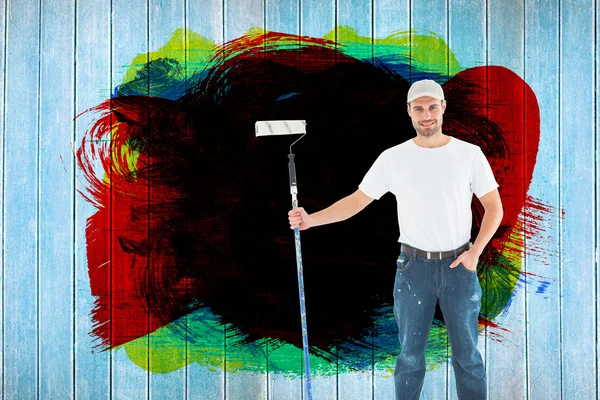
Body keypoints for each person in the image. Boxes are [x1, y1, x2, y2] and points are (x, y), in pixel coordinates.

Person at [287, 79, 503, 400]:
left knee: (468, 357)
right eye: (419, 108)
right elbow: (357, 201)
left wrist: (475, 254)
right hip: (414, 268)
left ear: (443, 107)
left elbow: (494, 208)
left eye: (432, 107)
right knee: (411, 358)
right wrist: (310, 219)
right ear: (409, 112)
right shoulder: (393, 158)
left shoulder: (468, 154)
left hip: (460, 265)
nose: (426, 115)